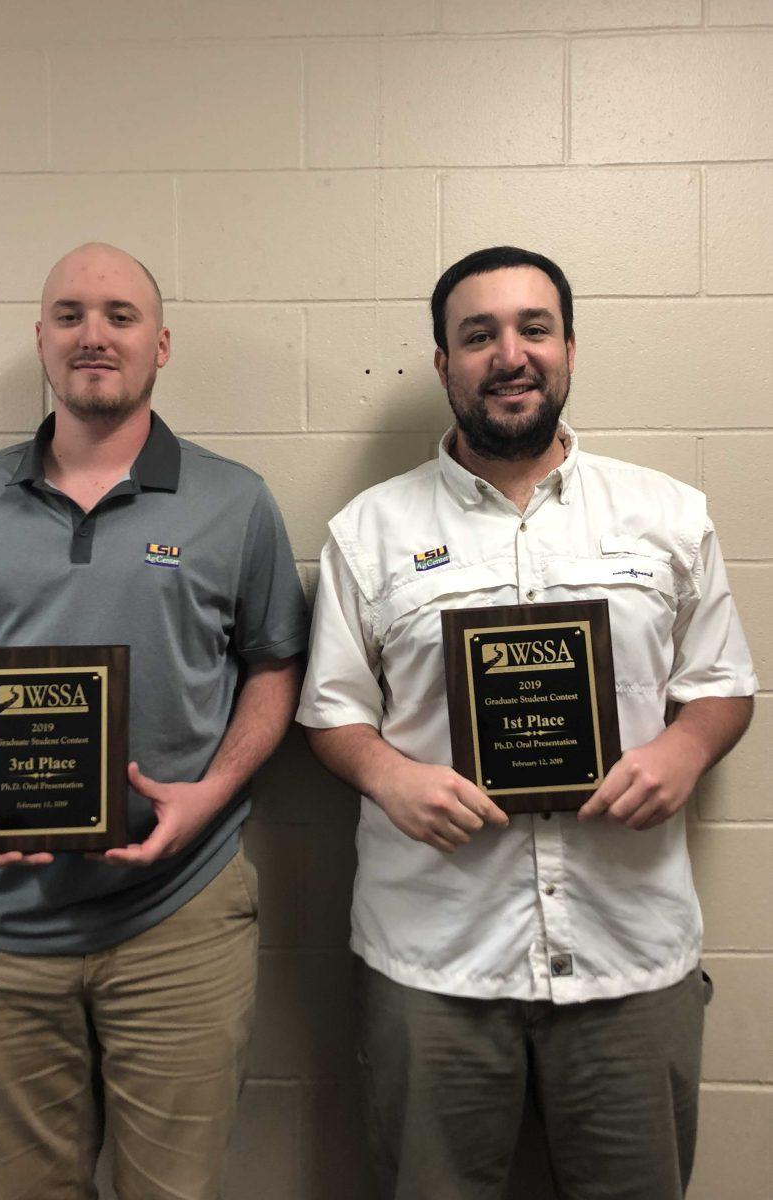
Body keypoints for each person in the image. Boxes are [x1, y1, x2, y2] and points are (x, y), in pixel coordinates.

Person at [296, 246, 755, 1200]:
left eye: (533, 329)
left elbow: (722, 685)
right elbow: (334, 715)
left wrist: (686, 746)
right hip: (435, 961)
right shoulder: (368, 532)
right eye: (479, 335)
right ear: (443, 365)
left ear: (570, 349)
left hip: (630, 953)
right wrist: (390, 777)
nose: (510, 355)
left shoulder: (668, 515)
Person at [0, 243, 307, 1200]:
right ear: (41, 338)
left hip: (180, 920)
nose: (93, 335)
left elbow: (275, 665)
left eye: (119, 314)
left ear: (161, 343)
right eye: (69, 314)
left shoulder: (234, 501)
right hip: (2, 924)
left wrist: (215, 792)